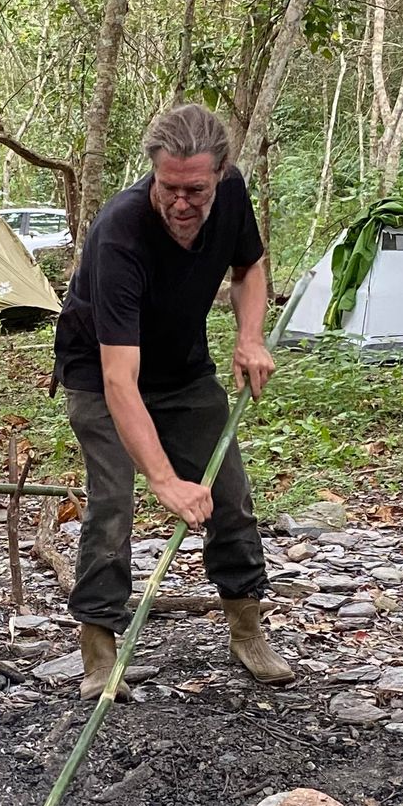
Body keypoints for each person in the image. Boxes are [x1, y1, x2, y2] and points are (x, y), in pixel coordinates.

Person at [51, 102, 295, 698]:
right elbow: (118, 382)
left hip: (183, 369)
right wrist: (162, 479)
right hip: (99, 371)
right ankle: (100, 653)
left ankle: (245, 627)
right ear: (151, 174)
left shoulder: (232, 194)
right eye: (169, 187)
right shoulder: (119, 233)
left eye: (196, 189)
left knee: (230, 495)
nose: (182, 203)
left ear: (220, 175)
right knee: (113, 504)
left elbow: (250, 266)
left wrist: (250, 336)